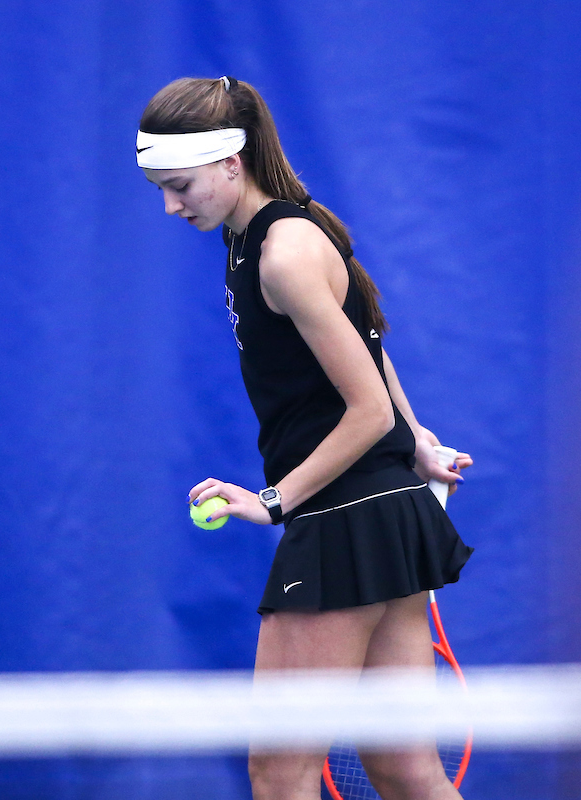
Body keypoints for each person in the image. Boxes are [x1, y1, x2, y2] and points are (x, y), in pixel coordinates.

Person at [137, 76, 474, 800]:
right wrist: (418, 441)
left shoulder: (283, 253)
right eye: (161, 188)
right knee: (404, 768)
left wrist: (273, 499)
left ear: (232, 163)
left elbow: (365, 411)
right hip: (388, 514)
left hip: (338, 523)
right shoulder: (266, 233)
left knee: (279, 773)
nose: (170, 205)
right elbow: (368, 346)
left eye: (181, 185)